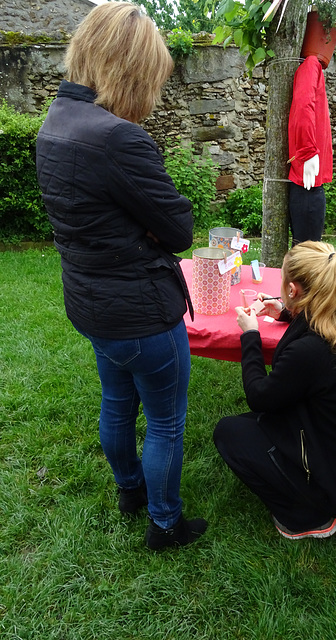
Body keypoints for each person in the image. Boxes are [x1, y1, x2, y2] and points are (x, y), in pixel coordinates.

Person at [36, 2, 207, 551]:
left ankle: (130, 491)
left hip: (90, 304)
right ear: (131, 69)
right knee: (165, 421)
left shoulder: (55, 122)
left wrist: (140, 227)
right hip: (140, 311)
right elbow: (179, 228)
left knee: (116, 401)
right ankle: (165, 523)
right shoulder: (117, 137)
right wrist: (149, 229)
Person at [214, 241, 336, 540]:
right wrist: (286, 312)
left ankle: (309, 516)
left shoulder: (310, 351)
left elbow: (260, 397)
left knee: (229, 433)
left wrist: (251, 335)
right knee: (249, 427)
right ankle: (312, 493)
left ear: (293, 289)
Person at [287, 56, 333, 245]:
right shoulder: (311, 64)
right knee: (307, 255)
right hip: (307, 185)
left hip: (309, 185)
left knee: (307, 253)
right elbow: (303, 105)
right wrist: (308, 152)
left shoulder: (312, 66)